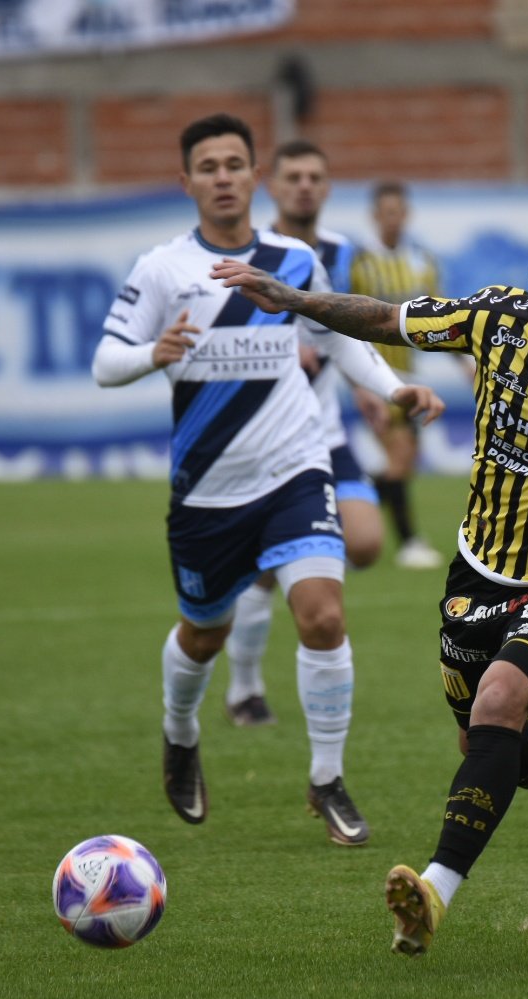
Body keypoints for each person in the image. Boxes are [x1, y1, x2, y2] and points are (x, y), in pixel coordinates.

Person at [211, 227, 528, 955]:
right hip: (476, 573)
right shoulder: (496, 319)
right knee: (485, 738)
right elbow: (382, 318)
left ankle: (433, 891)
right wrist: (291, 298)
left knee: (498, 706)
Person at [92, 114, 443, 847]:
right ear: (187, 181)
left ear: (255, 176)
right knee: (201, 633)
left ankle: (327, 780)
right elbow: (105, 363)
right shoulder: (161, 269)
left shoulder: (291, 260)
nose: (223, 176)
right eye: (208, 166)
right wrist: (152, 354)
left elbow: (336, 338)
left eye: (234, 164)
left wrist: (394, 390)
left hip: (295, 470)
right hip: (208, 490)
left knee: (322, 615)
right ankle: (181, 732)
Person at [223, 139, 393, 729]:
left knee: (368, 542)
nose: (304, 186)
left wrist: (372, 389)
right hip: (270, 437)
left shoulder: (345, 253)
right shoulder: (258, 253)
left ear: (326, 186)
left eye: (314, 177)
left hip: (327, 430)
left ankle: (293, 560)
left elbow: (363, 323)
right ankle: (244, 688)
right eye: (292, 176)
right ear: (274, 185)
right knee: (269, 562)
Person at [350, 180, 447, 569]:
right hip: (375, 379)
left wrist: (466, 362)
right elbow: (345, 324)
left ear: (406, 215)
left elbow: (444, 319)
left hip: (409, 380)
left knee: (402, 462)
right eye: (385, 212)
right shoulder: (361, 264)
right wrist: (359, 384)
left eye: (398, 211)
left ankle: (347, 508)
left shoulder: (422, 261)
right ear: (375, 217)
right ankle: (408, 541)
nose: (393, 219)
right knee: (401, 457)